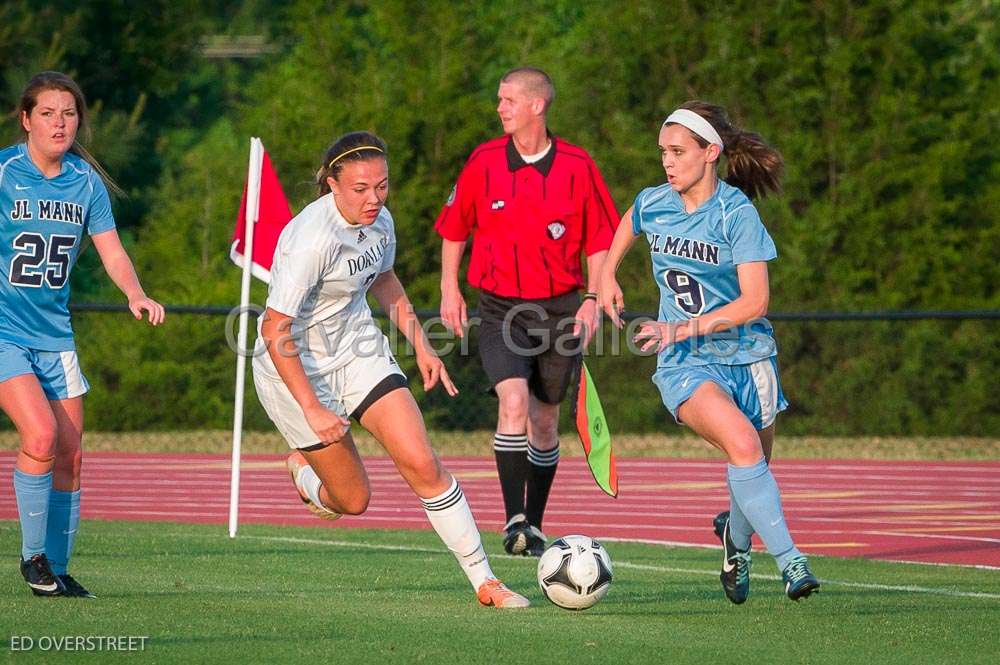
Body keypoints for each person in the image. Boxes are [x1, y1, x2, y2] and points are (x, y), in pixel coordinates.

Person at [252, 131, 529, 609]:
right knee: (353, 501)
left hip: (358, 352)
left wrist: (422, 347)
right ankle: (306, 473)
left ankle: (486, 580)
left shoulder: (380, 222)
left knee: (422, 462)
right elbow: (274, 330)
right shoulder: (311, 239)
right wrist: (314, 408)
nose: (374, 198)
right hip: (295, 370)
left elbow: (384, 278)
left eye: (382, 185)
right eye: (360, 188)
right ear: (331, 185)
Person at [598, 101, 819, 603]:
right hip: (686, 362)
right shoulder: (655, 201)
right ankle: (792, 563)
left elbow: (756, 301)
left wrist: (682, 326)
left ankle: (736, 545)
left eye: (677, 152)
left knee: (752, 467)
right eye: (662, 153)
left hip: (750, 357)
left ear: (711, 152)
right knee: (743, 446)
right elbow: (630, 220)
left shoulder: (736, 213)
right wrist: (606, 274)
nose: (667, 162)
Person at [435, 67, 619, 556]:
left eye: (508, 99)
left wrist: (594, 299)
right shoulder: (484, 160)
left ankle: (532, 524)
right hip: (500, 310)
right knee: (512, 403)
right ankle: (513, 517)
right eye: (499, 99)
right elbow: (455, 228)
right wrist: (449, 288)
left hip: (561, 311)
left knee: (544, 419)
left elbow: (602, 239)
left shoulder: (579, 165)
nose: (500, 108)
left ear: (537, 105)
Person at [2, 71, 165, 599]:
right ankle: (31, 559)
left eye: (68, 113)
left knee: (71, 455)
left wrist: (135, 293)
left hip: (55, 335)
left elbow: (111, 250)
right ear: (25, 119)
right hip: (5, 331)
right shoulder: (4, 173)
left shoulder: (84, 181)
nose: (59, 123)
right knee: (42, 437)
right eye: (47, 113)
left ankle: (58, 570)